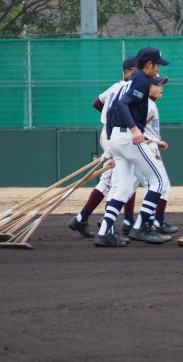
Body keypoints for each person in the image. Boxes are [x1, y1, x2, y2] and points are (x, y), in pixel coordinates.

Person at [95, 47, 170, 247]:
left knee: (124, 188)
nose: (158, 70)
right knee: (159, 182)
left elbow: (111, 109)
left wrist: (111, 140)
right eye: (157, 65)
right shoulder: (142, 81)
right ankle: (140, 227)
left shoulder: (132, 80)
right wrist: (135, 130)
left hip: (118, 137)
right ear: (149, 64)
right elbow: (121, 105)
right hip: (128, 138)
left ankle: (103, 233)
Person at [69, 56, 138, 241]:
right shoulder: (128, 88)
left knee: (124, 179)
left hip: (112, 133)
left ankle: (84, 219)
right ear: (127, 72)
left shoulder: (115, 87)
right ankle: (107, 225)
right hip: (114, 134)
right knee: (114, 182)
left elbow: (97, 103)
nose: (139, 72)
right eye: (136, 69)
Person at [130, 76, 179, 235]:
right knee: (162, 184)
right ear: (147, 87)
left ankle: (127, 221)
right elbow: (134, 127)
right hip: (146, 148)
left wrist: (156, 142)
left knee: (130, 186)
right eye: (157, 84)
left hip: (144, 147)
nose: (161, 87)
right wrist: (153, 141)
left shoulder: (149, 103)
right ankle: (156, 221)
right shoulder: (147, 105)